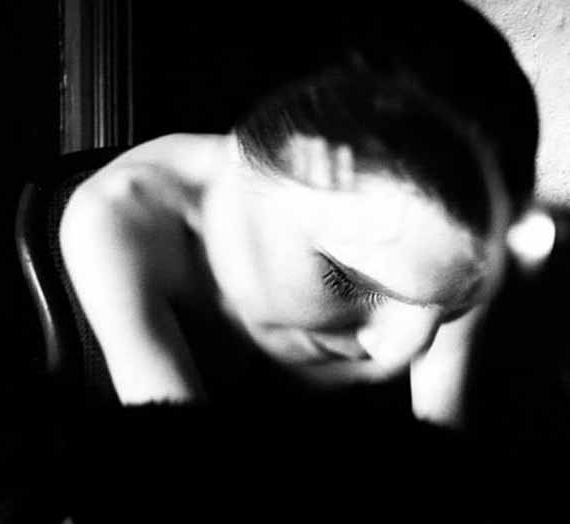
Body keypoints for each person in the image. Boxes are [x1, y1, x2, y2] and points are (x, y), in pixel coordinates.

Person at [58, 59, 534, 428]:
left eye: (445, 308)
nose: (393, 350)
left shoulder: (452, 239)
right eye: (344, 281)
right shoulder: (121, 215)